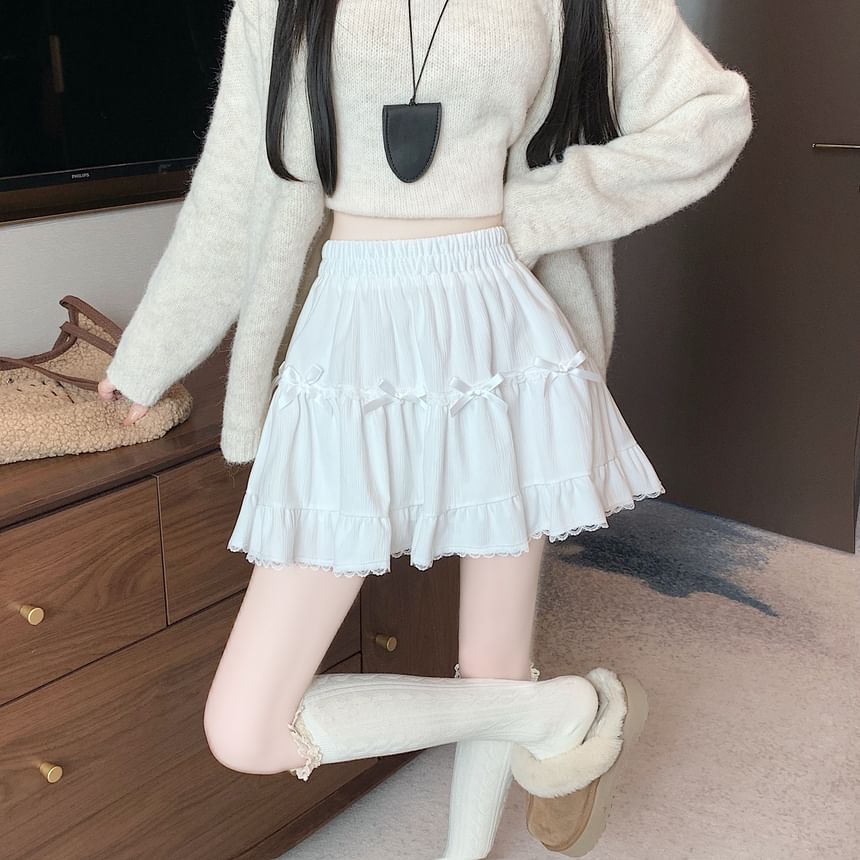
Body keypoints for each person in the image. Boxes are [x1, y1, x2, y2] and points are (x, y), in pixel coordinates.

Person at [98, 0, 753, 856]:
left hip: (500, 325)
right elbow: (236, 185)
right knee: (246, 728)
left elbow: (711, 115)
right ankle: (563, 712)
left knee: (494, 657)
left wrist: (540, 211)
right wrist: (150, 355)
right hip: (351, 333)